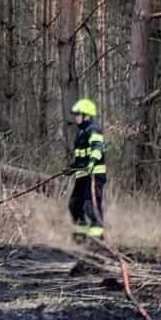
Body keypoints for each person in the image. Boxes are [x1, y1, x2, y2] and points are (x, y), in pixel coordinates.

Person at [67, 98, 106, 242]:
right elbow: (80, 157)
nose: (76, 118)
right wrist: (72, 167)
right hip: (82, 175)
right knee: (74, 205)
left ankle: (97, 239)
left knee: (90, 206)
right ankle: (80, 237)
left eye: (78, 114)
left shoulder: (94, 130)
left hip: (94, 175)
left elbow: (97, 148)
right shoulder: (80, 133)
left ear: (87, 116)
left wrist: (92, 163)